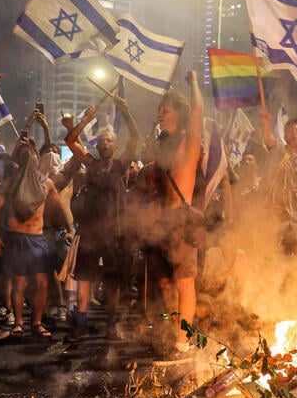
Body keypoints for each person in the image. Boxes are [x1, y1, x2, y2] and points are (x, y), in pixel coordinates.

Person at [132, 71, 203, 355]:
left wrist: (194, 82)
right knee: (165, 283)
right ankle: (171, 333)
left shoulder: (189, 141)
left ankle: (184, 341)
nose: (160, 112)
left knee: (185, 281)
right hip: (161, 224)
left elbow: (198, 112)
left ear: (179, 112)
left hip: (181, 221)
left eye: (166, 108)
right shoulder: (162, 146)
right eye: (159, 108)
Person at [65, 97, 140, 342]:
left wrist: (126, 112)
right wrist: (86, 119)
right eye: (101, 141)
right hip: (89, 233)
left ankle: (110, 325)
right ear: (96, 146)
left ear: (114, 145)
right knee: (84, 279)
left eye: (109, 140)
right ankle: (81, 325)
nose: (105, 144)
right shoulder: (92, 163)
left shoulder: (120, 165)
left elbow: (135, 139)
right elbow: (70, 141)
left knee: (112, 281)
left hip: (113, 233)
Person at [0, 133, 62, 339]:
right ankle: (19, 323)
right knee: (19, 283)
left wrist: (69, 229)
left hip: (37, 239)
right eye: (24, 154)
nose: (29, 157)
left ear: (38, 158)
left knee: (42, 283)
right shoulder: (10, 183)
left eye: (32, 154)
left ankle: (36, 322)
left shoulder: (46, 183)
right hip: (17, 238)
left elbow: (59, 207)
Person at [260, 108, 297, 257]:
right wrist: (266, 124)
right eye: (290, 131)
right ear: (285, 135)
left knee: (294, 262)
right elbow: (269, 139)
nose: (294, 133)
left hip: (293, 220)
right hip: (275, 218)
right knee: (273, 260)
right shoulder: (278, 151)